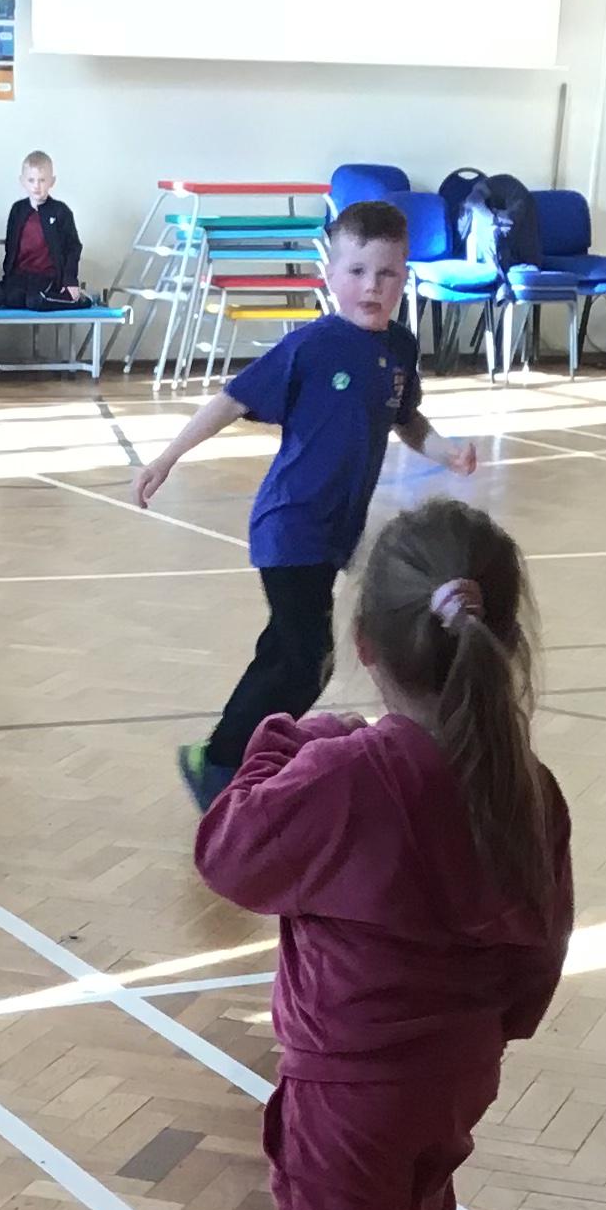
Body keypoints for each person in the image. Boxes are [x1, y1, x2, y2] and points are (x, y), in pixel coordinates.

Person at [194, 501, 570, 1210]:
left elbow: (228, 852)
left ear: (364, 646)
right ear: (502, 636)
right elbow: (543, 941)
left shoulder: (345, 775)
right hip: (456, 1076)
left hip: (347, 1087)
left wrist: (286, 735)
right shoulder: (525, 784)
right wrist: (494, 1034)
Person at [136, 197, 477, 810]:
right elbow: (232, 399)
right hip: (291, 524)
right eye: (357, 271)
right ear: (331, 273)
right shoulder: (312, 346)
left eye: (387, 273)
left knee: (290, 652)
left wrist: (446, 451)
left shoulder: (400, 349)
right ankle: (220, 761)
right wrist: (167, 457)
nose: (372, 286)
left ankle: (237, 753)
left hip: (337, 531)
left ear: (404, 276)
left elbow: (407, 420)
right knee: (305, 656)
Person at [0, 152, 86, 308]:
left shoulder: (60, 211)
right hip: (20, 276)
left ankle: (78, 301)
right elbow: (11, 245)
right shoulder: (18, 210)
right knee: (8, 299)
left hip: (47, 277)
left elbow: (73, 247)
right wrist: (8, 274)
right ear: (22, 181)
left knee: (34, 301)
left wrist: (70, 280)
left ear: (52, 182)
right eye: (31, 180)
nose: (36, 186)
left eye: (42, 180)